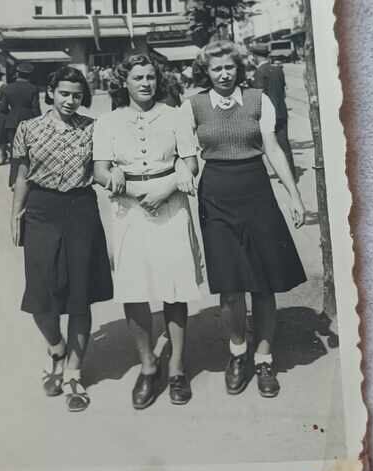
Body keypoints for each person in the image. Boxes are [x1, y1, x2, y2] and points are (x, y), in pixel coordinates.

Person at [182, 39, 306, 399]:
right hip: (216, 194)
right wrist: (181, 171)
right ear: (206, 71)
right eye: (217, 68)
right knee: (230, 284)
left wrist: (294, 195)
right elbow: (183, 149)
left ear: (239, 69)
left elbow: (272, 148)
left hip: (256, 191)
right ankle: (238, 353)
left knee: (264, 283)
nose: (223, 74)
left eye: (229, 67)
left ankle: (264, 357)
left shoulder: (257, 100)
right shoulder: (194, 106)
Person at [93, 53, 203, 409]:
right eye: (137, 77)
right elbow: (100, 169)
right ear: (123, 82)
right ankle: (147, 365)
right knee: (135, 289)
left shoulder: (175, 116)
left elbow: (190, 161)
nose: (145, 83)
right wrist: (118, 181)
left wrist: (168, 186)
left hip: (169, 204)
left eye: (150, 77)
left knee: (173, 287)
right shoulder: (107, 122)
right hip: (129, 209)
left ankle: (176, 368)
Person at [10, 67, 113, 412]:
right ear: (51, 92)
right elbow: (22, 175)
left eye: (77, 95)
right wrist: (15, 215)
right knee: (41, 294)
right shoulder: (28, 129)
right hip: (41, 209)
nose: (70, 101)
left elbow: (103, 169)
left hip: (81, 210)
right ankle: (56, 347)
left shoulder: (93, 128)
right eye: (64, 93)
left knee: (79, 295)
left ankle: (73, 371)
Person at [247, 40, 297, 177]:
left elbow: (258, 94)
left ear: (255, 57)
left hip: (268, 114)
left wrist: (249, 83)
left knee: (266, 145)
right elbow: (282, 90)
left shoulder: (259, 72)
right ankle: (290, 173)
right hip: (281, 111)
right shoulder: (277, 70)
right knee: (284, 144)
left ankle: (267, 173)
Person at [0, 61, 42, 186]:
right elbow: (36, 109)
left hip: (11, 123)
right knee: (28, 152)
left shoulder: (8, 88)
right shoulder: (33, 88)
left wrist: (12, 114)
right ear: (30, 75)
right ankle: (27, 180)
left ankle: (13, 181)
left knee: (14, 152)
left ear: (17, 73)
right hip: (29, 122)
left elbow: (3, 109)